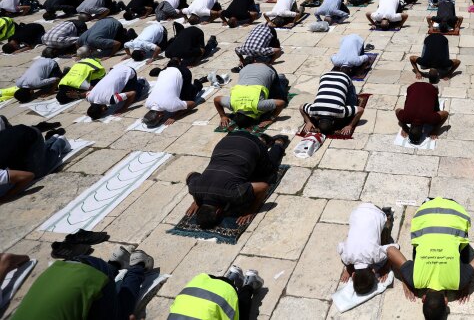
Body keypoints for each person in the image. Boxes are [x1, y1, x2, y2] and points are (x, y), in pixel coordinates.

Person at [386, 197, 474, 312]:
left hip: (456, 211)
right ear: (424, 299)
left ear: (446, 301)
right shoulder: (415, 280)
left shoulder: (458, 281)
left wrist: (467, 280)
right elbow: (391, 250)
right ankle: (428, 201)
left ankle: (432, 202)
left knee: (463, 258)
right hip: (425, 211)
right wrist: (406, 277)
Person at [10, 246, 155, 320]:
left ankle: (138, 265)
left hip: (94, 278)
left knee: (121, 314)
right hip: (65, 267)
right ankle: (116, 262)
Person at [185, 132, 289, 229]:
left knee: (269, 171)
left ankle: (279, 142)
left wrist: (251, 210)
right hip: (228, 139)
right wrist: (197, 199)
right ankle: (262, 140)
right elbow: (190, 174)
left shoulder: (232, 194)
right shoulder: (194, 188)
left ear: (218, 212)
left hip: (250, 144)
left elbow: (263, 186)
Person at [0, 124, 71, 201]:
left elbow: (28, 176)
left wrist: (7, 196)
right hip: (21, 133)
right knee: (19, 167)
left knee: (38, 172)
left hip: (31, 137)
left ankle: (61, 142)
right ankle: (52, 139)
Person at [338, 203, 395, 297]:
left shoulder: (375, 256)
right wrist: (348, 266)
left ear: (373, 271)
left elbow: (394, 248)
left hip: (377, 212)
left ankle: (387, 214)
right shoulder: (346, 257)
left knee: (385, 239)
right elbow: (340, 246)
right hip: (357, 210)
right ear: (353, 276)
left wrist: (386, 267)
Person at [214, 62, 288, 131]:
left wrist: (271, 118)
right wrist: (223, 116)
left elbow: (281, 103)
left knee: (282, 97)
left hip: (266, 68)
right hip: (246, 68)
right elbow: (216, 99)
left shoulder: (258, 105)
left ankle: (281, 78)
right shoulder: (232, 104)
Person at [300, 70, 363, 136]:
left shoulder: (340, 112)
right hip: (325, 76)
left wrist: (350, 125)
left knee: (352, 103)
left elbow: (360, 110)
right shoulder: (313, 110)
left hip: (344, 77)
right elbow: (301, 107)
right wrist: (308, 121)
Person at [142, 60, 204, 126]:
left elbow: (192, 104)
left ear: (160, 116)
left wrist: (175, 116)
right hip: (165, 70)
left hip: (183, 72)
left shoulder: (171, 106)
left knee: (189, 97)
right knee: (179, 95)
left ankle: (197, 85)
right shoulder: (147, 104)